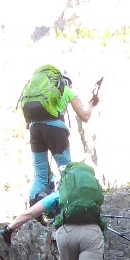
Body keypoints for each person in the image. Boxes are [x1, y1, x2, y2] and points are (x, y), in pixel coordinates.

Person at [4, 163, 106, 260]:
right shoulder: (92, 194)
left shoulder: (60, 194)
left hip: (65, 234)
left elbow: (30, 213)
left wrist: (9, 229)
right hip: (91, 233)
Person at [19, 65, 99, 204]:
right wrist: (92, 104)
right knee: (65, 171)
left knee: (40, 176)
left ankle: (33, 209)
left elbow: (28, 125)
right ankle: (65, 206)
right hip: (56, 130)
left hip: (35, 129)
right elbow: (84, 116)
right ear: (67, 81)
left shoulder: (39, 92)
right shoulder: (66, 90)